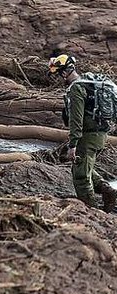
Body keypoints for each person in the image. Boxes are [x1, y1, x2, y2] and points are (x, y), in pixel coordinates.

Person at [48, 54, 117, 211]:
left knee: (80, 177)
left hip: (87, 137)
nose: (59, 78)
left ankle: (92, 210)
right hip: (101, 135)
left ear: (65, 72)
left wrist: (73, 144)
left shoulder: (76, 89)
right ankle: (107, 189)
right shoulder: (89, 81)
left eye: (59, 74)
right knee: (83, 167)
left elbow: (76, 120)